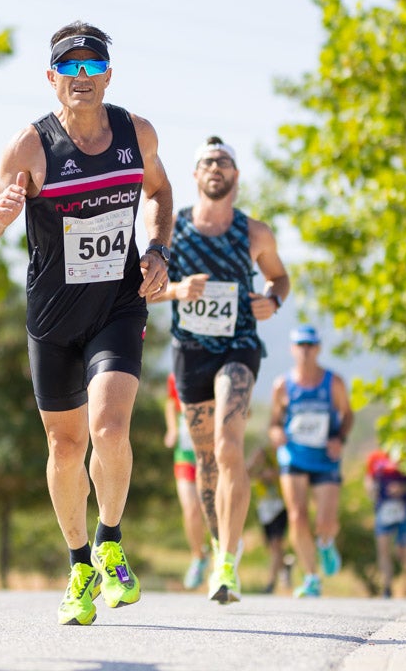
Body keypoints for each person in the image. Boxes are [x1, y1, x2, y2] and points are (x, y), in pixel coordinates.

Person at [0, 21, 172, 626]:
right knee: (65, 444)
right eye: (70, 67)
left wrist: (158, 250)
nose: (81, 78)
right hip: (54, 315)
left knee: (109, 429)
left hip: (117, 302)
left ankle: (110, 541)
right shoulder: (31, 146)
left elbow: (160, 194)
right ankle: (80, 562)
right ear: (52, 77)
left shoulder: (137, 134)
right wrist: (0, 214)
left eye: (92, 67)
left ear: (108, 75)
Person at [149, 135, 290, 605]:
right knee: (206, 460)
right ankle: (218, 548)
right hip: (190, 351)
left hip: (239, 346)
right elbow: (145, 286)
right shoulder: (172, 226)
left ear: (235, 176)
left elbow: (280, 276)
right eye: (207, 161)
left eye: (224, 161)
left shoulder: (255, 232)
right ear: (195, 175)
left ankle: (227, 562)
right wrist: (176, 290)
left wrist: (272, 299)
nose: (215, 167)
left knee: (230, 447)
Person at [269, 325, 353, 598]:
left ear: (317, 349)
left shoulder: (333, 382)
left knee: (326, 522)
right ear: (293, 349)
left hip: (325, 459)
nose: (305, 350)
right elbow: (274, 423)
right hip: (294, 457)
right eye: (300, 345)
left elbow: (347, 415)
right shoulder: (283, 385)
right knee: (297, 516)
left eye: (310, 345)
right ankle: (311, 577)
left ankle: (326, 543)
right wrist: (277, 433)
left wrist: (339, 438)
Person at [163, 372, 210, 590]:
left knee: (211, 508)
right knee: (191, 509)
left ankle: (222, 556)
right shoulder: (177, 374)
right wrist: (172, 429)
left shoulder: (218, 368)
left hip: (210, 455)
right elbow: (171, 404)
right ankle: (198, 557)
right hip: (185, 453)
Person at [366, 450, 406, 598]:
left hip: (404, 510)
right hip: (383, 509)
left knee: (403, 552)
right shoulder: (375, 457)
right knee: (383, 549)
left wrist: (403, 489)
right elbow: (369, 479)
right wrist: (370, 489)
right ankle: (387, 587)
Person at [247, 444, 290, 594]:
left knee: (276, 543)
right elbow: (246, 473)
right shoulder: (261, 454)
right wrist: (256, 465)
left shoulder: (286, 454)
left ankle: (271, 583)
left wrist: (275, 473)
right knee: (271, 546)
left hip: (281, 504)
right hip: (264, 506)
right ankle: (285, 566)